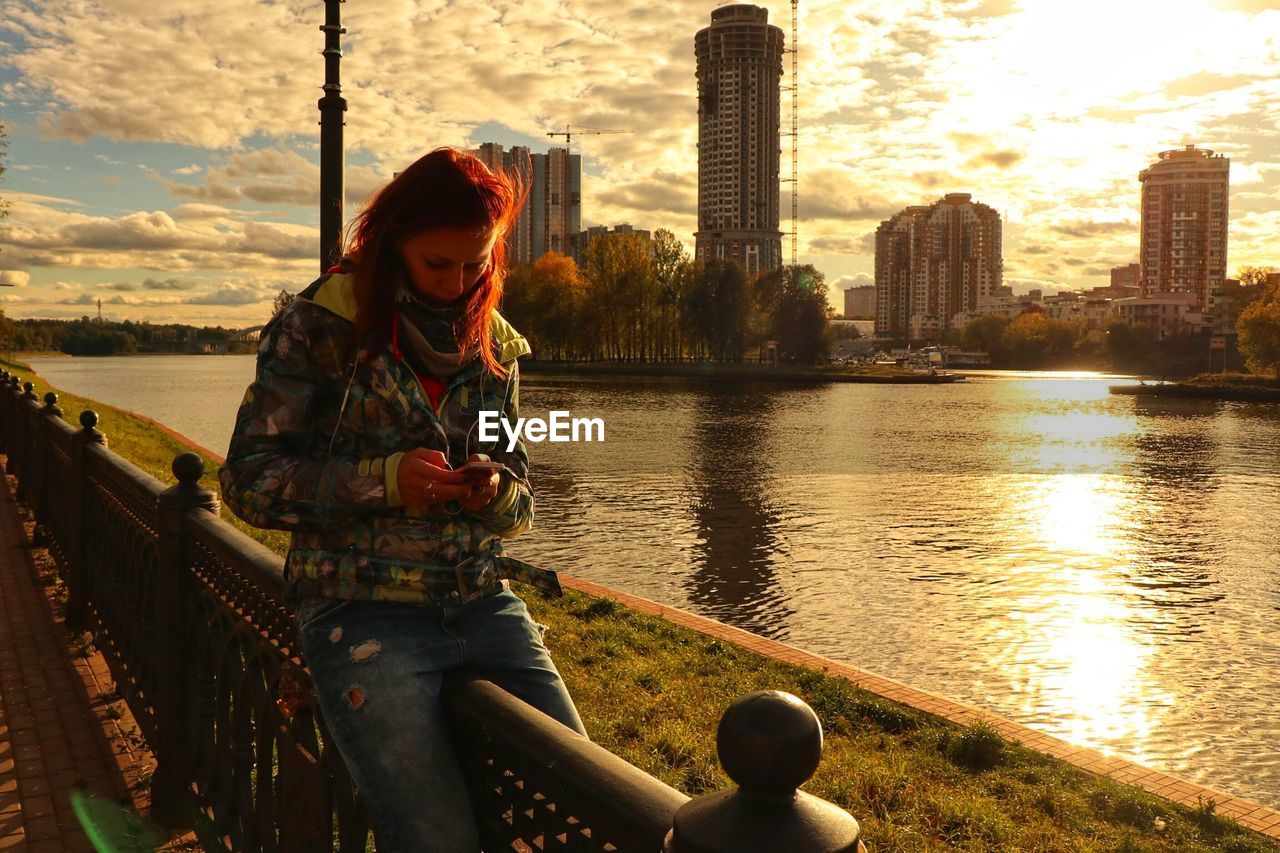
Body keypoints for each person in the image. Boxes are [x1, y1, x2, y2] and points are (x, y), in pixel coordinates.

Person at [219, 147, 586, 852]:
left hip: (482, 601)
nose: (456, 284)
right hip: (361, 611)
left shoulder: (494, 347)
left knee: (582, 805)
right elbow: (247, 477)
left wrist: (492, 490)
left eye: (475, 265)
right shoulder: (319, 325)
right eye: (436, 264)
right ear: (391, 248)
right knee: (437, 838)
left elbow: (522, 502)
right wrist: (384, 480)